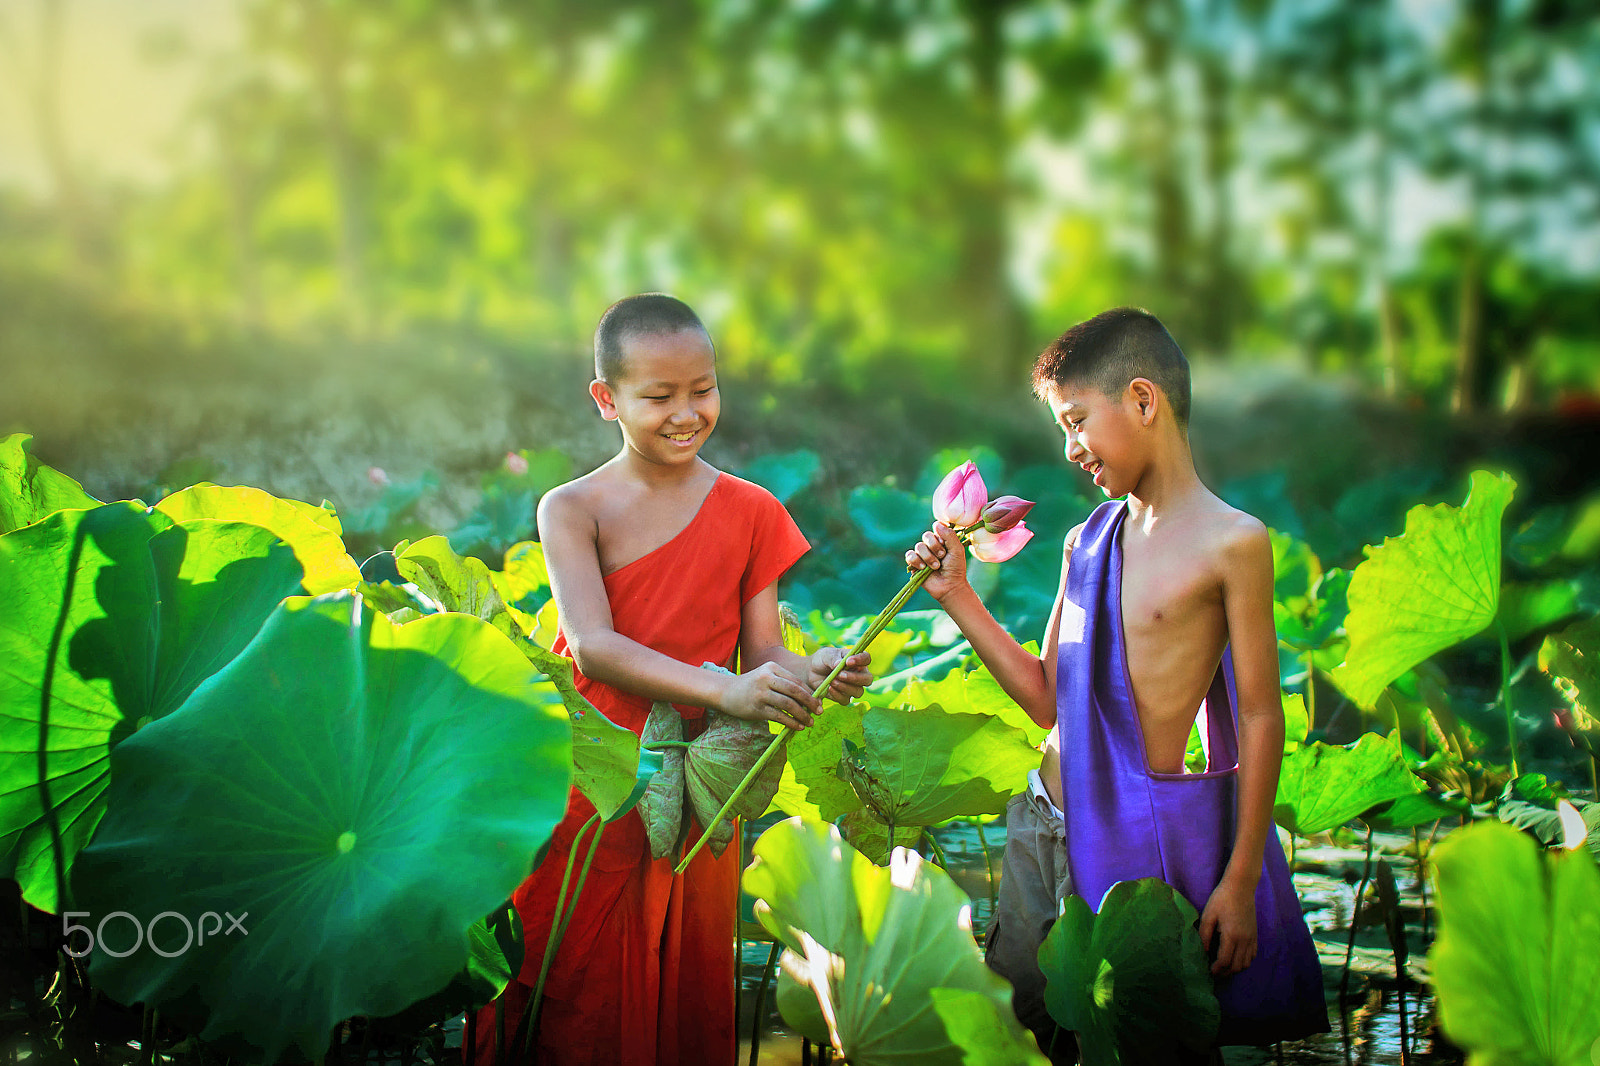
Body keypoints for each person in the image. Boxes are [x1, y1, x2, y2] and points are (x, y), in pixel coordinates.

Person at [906, 307, 1328, 1054]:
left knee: (1123, 1039)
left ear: (1142, 399)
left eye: (1076, 422)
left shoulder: (1234, 543)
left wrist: (1239, 880)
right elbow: (1045, 697)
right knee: (1020, 1029)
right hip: (1042, 824)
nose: (1070, 449)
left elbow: (1262, 716)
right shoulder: (1085, 540)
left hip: (1131, 842)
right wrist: (958, 597)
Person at [468, 293, 872, 1066]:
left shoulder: (751, 509)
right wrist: (723, 689)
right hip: (598, 775)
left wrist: (812, 671)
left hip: (703, 784)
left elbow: (761, 655)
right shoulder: (572, 507)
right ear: (606, 399)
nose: (686, 413)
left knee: (682, 987)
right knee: (569, 987)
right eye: (659, 397)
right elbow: (591, 646)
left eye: (703, 390)